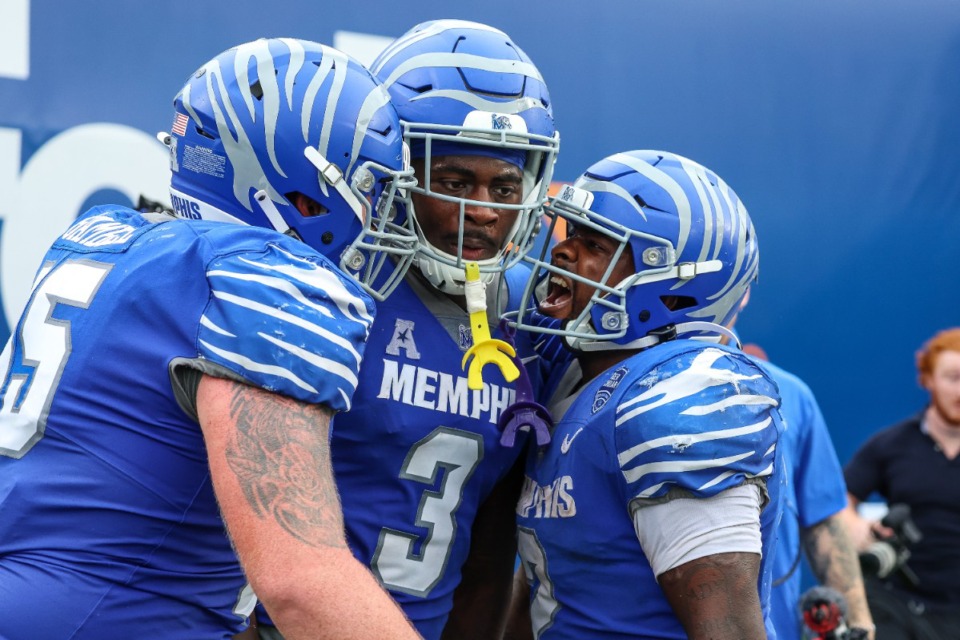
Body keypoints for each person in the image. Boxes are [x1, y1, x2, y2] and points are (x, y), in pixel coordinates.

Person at [0, 38, 422, 640]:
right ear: (302, 196)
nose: (385, 220)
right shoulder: (266, 279)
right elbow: (300, 580)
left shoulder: (105, 236)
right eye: (373, 192)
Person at [258, 19, 560, 640]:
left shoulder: (530, 319)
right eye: (453, 181)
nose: (483, 210)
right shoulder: (328, 288)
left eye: (505, 186)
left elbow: (485, 558)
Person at [503, 149, 785, 639]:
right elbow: (551, 585)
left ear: (671, 294)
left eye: (598, 245)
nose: (563, 253)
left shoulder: (680, 396)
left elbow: (731, 630)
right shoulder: (569, 373)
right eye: (572, 235)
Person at [729, 299, 874, 640]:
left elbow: (825, 522)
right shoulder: (612, 386)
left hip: (774, 628)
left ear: (746, 290)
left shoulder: (790, 394)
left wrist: (860, 626)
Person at [843, 327, 960, 639]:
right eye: (952, 377)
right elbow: (839, 501)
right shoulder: (891, 444)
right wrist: (861, 532)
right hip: (896, 605)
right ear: (928, 379)